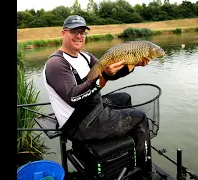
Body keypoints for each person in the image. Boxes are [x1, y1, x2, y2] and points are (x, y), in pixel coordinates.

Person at [42, 15, 153, 179]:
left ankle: (125, 150)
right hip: (79, 123)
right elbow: (73, 98)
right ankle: (144, 171)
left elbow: (111, 74)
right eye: (74, 31)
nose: (79, 36)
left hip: (91, 108)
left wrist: (132, 64)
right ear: (63, 33)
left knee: (124, 98)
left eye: (82, 32)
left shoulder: (85, 56)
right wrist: (104, 77)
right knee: (140, 118)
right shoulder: (56, 64)